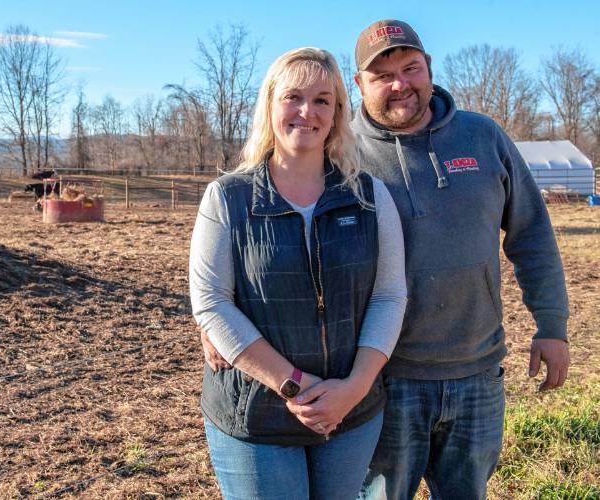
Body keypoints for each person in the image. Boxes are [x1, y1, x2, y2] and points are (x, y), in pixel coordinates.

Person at [204, 20, 572, 499]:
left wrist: (552, 324)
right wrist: (216, 329)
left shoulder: (484, 138)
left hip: (477, 374)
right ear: (357, 87)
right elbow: (264, 240)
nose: (400, 84)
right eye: (382, 75)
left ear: (429, 69)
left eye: (410, 68)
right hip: (383, 381)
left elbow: (532, 235)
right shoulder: (340, 154)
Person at [189, 47, 407, 499]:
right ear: (270, 104)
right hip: (255, 415)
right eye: (293, 97)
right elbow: (211, 303)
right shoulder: (227, 199)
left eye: (323, 100)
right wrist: (298, 387)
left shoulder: (370, 197)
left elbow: (389, 296)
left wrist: (354, 388)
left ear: (337, 115)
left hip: (351, 413)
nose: (307, 112)